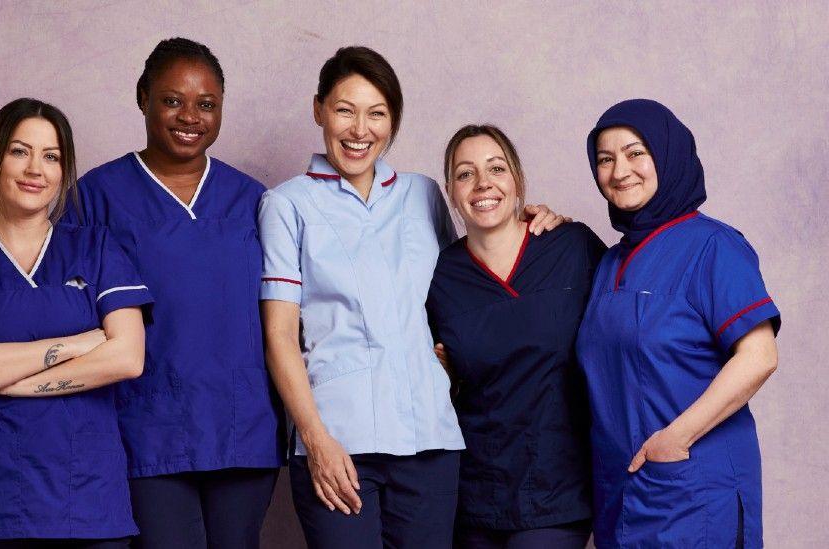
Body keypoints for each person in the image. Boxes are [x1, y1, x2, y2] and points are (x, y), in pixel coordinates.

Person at [0, 38, 284, 549]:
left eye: (206, 103)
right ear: (142, 97)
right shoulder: (94, 198)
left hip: (241, 425)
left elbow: (285, 317)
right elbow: (39, 306)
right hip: (141, 428)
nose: (189, 115)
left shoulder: (253, 199)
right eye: (171, 99)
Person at [259, 46, 565, 549]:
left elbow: (470, 281)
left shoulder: (422, 194)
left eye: (376, 113)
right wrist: (314, 439)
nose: (360, 129)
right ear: (318, 110)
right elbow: (279, 337)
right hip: (340, 440)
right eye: (344, 110)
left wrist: (529, 221)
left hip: (431, 441)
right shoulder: (287, 204)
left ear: (393, 121)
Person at [0, 97, 153, 547]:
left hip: (85, 501)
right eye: (20, 151)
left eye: (51, 156)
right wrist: (80, 344)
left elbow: (127, 356)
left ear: (63, 170)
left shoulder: (96, 249)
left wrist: (0, 376)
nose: (35, 169)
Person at [576, 99, 780, 548]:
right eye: (605, 159)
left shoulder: (714, 245)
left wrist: (676, 438)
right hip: (623, 493)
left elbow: (760, 355)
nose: (619, 170)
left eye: (635, 153)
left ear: (667, 155)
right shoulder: (611, 262)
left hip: (694, 487)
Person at [426, 124, 605, 548]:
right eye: (465, 173)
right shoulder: (439, 276)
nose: (483, 183)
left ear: (518, 182)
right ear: (451, 192)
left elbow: (623, 335)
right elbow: (433, 377)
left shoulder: (571, 247)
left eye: (496, 168)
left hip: (557, 490)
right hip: (475, 493)